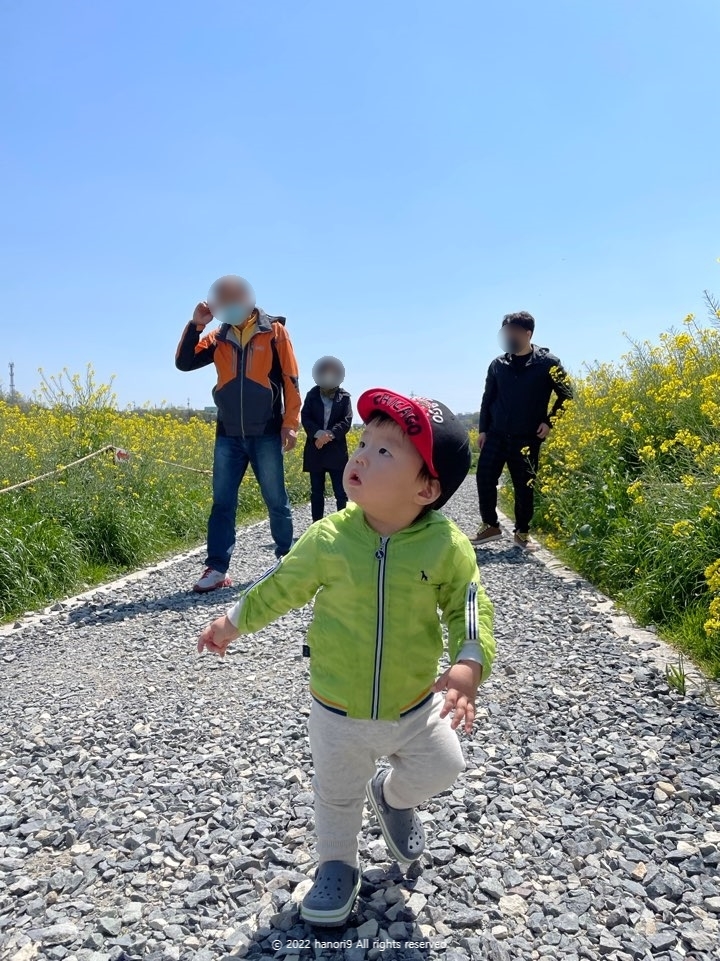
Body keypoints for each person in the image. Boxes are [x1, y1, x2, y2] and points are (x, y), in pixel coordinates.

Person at [197, 388, 495, 926]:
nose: (360, 456)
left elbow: (468, 605)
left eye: (384, 451)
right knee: (336, 795)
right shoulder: (329, 537)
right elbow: (281, 585)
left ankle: (394, 798)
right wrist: (233, 622)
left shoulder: (447, 546)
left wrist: (468, 662)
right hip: (337, 707)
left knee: (445, 766)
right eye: (363, 443)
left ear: (426, 488)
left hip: (414, 706)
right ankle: (337, 863)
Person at [175, 275, 301, 592]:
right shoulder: (218, 336)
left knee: (276, 500)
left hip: (266, 431)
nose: (229, 305)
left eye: (234, 298)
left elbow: (291, 378)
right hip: (228, 433)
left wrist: (290, 423)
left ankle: (287, 559)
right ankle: (216, 569)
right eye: (223, 300)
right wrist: (196, 325)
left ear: (247, 298)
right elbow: (184, 363)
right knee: (222, 503)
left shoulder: (274, 332)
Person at [472, 311, 573, 551]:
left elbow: (567, 395)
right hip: (496, 434)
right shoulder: (498, 365)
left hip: (527, 437)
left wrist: (549, 422)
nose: (508, 336)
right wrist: (483, 430)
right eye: (505, 332)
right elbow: (488, 398)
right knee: (484, 477)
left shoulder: (548, 363)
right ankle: (490, 526)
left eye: (513, 332)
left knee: (524, 486)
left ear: (527, 334)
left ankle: (522, 533)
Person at [301, 356, 353, 522]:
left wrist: (329, 435)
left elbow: (346, 421)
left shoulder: (344, 397)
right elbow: (305, 417)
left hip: (336, 450)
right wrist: (318, 434)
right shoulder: (312, 395)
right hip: (315, 448)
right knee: (316, 491)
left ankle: (343, 525)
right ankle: (317, 524)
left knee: (340, 492)